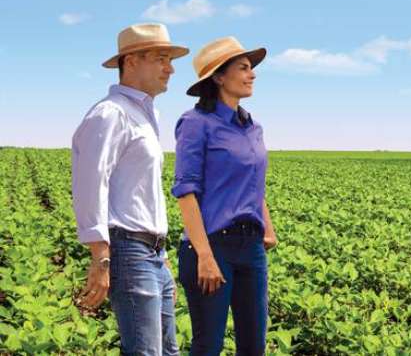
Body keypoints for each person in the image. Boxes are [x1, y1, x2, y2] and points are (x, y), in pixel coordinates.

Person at [72, 23, 189, 354]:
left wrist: (163, 259)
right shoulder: (110, 114)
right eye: (162, 58)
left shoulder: (143, 115)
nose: (170, 68)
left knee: (168, 351)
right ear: (132, 61)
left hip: (154, 253)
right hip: (128, 250)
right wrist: (100, 258)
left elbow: (142, 193)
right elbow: (90, 183)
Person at [172, 36, 278, 355]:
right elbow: (186, 192)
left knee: (254, 346)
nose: (252, 74)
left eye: (252, 68)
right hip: (211, 245)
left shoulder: (253, 127)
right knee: (208, 346)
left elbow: (254, 183)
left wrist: (267, 228)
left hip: (251, 248)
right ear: (219, 76)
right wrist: (204, 255)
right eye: (243, 68)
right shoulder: (195, 123)